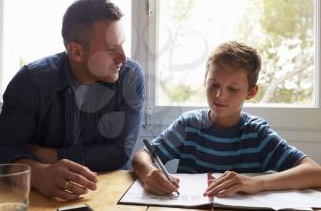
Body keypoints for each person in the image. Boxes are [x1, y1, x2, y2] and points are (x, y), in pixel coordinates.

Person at [0, 0, 145, 200]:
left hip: (111, 193)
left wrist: (49, 155)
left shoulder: (130, 76)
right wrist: (39, 174)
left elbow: (118, 154)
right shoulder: (31, 82)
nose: (123, 57)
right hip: (40, 199)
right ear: (76, 52)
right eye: (111, 48)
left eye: (122, 44)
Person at [132, 41, 321, 197]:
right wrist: (149, 172)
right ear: (205, 80)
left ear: (251, 92)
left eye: (232, 89)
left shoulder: (257, 134)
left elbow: (315, 173)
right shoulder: (188, 125)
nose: (220, 95)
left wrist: (256, 183)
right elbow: (141, 156)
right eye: (214, 84)